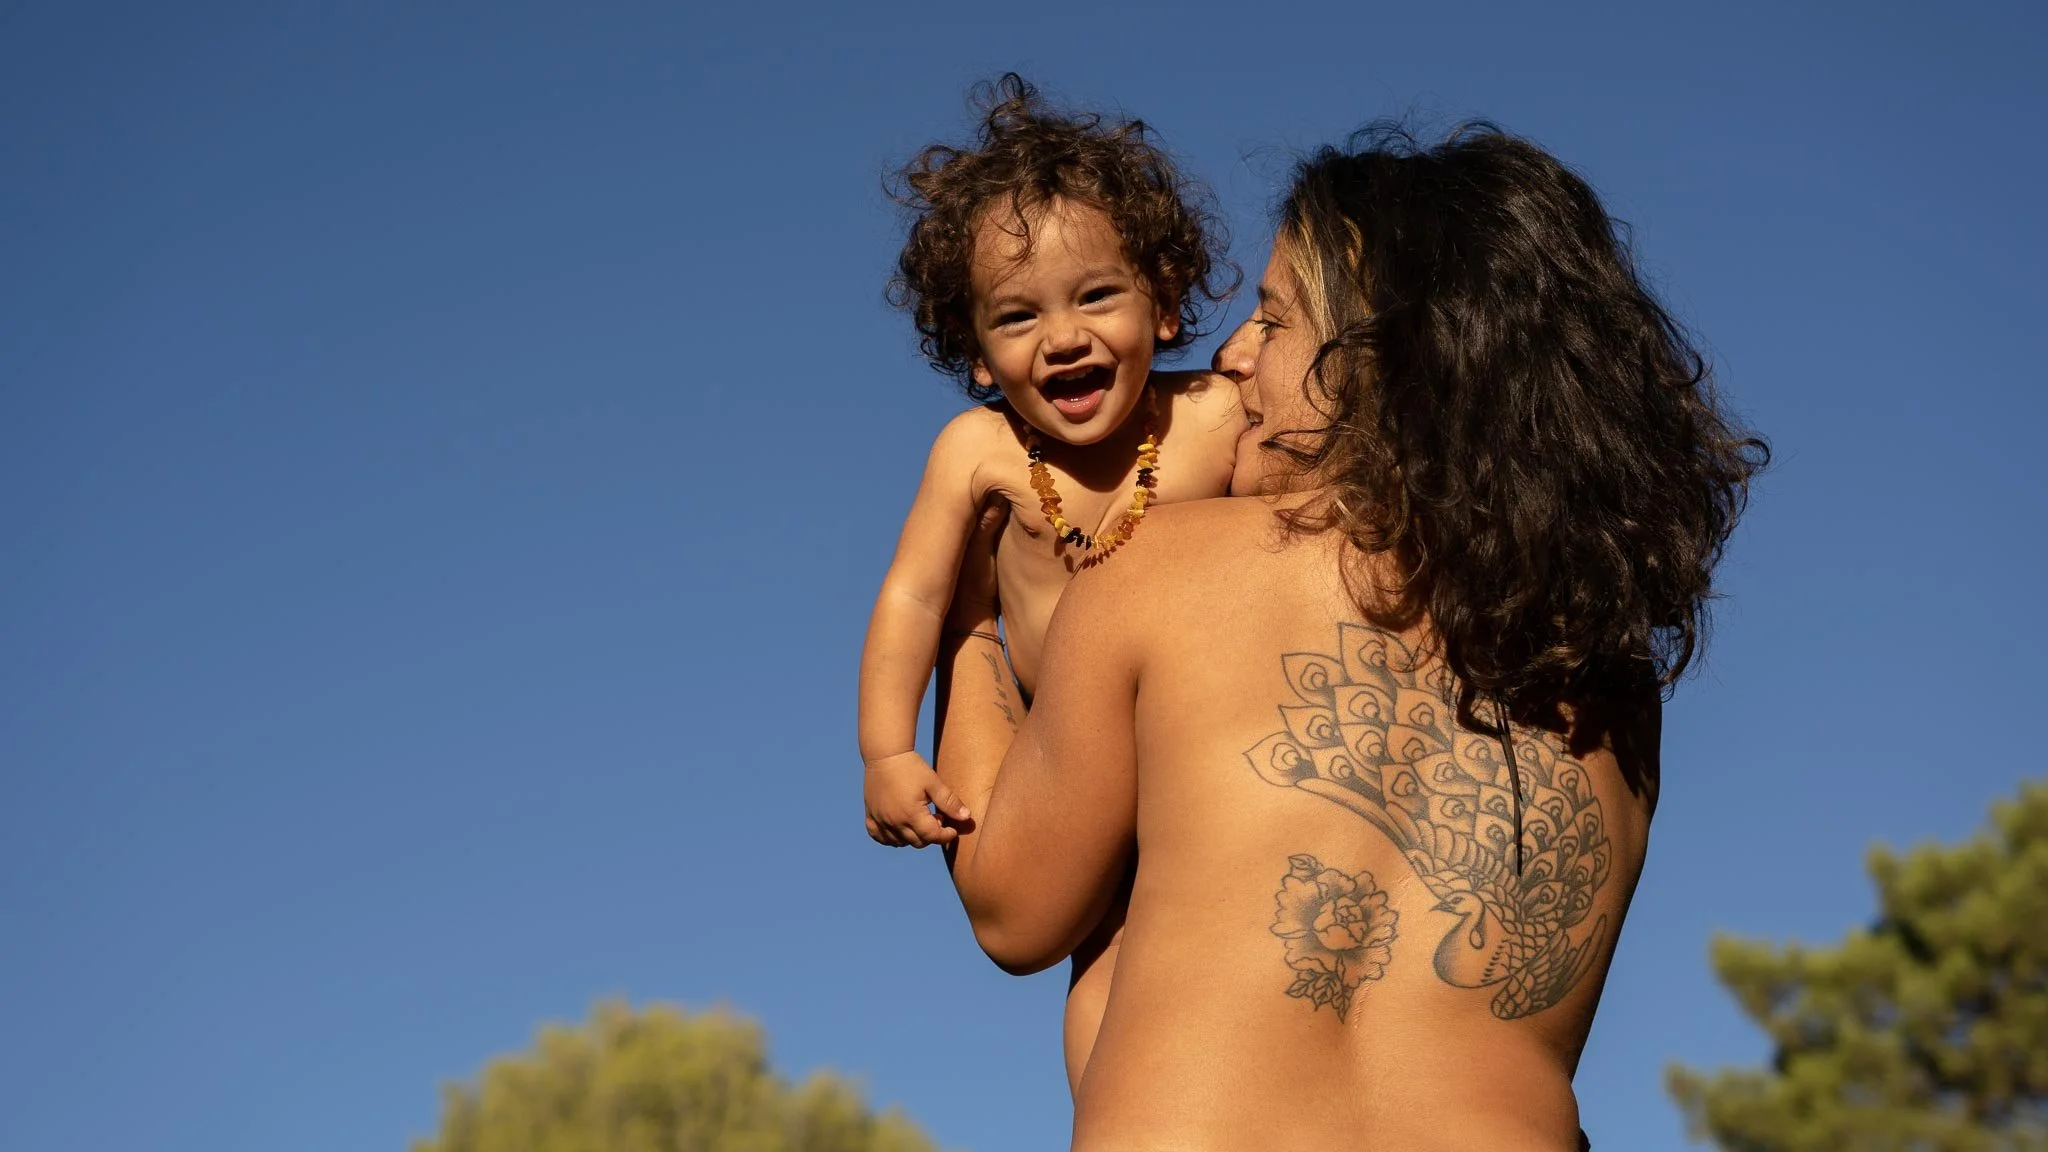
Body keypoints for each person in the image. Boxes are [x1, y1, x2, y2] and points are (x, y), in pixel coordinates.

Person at [933, 123, 1765, 1150]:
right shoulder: (1606, 688)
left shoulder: (1167, 566)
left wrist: (964, 620)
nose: (1231, 360)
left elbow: (1013, 909)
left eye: (1272, 322)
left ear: (1383, 362)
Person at [857, 75, 1243, 1094]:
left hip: (1200, 739)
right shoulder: (975, 451)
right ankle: (1112, 1113)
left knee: (1198, 925)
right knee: (1102, 949)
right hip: (1056, 746)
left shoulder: (1213, 418)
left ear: (1163, 305)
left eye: (1096, 296)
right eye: (1016, 316)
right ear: (977, 355)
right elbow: (911, 600)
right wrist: (887, 750)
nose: (1061, 336)